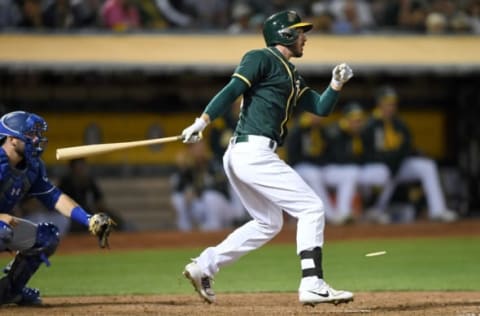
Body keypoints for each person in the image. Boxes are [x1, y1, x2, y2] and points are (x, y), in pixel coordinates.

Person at [180, 10, 354, 306]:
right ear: (284, 34)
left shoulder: (292, 74)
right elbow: (232, 89)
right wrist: (203, 121)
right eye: (299, 32)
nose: (304, 37)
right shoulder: (259, 57)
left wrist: (336, 84)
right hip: (252, 151)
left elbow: (321, 108)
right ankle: (312, 282)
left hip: (246, 153)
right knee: (311, 208)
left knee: (268, 223)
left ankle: (205, 265)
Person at [0, 111, 114, 306]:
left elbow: (55, 197)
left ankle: (9, 291)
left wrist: (88, 219)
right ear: (11, 139)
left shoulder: (32, 166)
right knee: (3, 231)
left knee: (47, 236)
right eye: (30, 134)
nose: (36, 139)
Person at [363, 86, 458, 222]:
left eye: (392, 104)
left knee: (427, 166)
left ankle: (438, 210)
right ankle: (376, 210)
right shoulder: (371, 124)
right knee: (385, 173)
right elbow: (370, 152)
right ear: (379, 104)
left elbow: (407, 145)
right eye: (387, 104)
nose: (390, 107)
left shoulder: (399, 123)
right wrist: (391, 161)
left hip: (399, 163)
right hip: (380, 165)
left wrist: (396, 160)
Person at [322, 102, 391, 224]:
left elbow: (369, 156)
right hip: (330, 170)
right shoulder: (335, 132)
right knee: (351, 172)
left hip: (354, 170)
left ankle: (374, 209)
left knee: (383, 172)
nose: (357, 123)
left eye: (359, 120)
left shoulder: (362, 133)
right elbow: (340, 158)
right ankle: (343, 213)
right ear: (346, 120)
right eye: (354, 120)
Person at [170, 141, 239, 231]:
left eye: (200, 148)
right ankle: (185, 229)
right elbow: (178, 188)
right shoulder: (189, 167)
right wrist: (183, 171)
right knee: (178, 198)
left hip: (223, 207)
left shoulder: (213, 163)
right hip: (202, 205)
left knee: (210, 196)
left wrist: (197, 191)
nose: (198, 150)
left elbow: (220, 187)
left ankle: (213, 227)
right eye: (194, 148)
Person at [286, 112, 336, 223]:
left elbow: (328, 152)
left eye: (319, 115)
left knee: (347, 174)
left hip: (319, 166)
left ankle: (342, 211)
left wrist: (322, 163)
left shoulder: (322, 130)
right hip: (301, 167)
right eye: (314, 114)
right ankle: (330, 214)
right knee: (314, 175)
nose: (317, 118)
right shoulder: (298, 129)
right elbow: (293, 155)